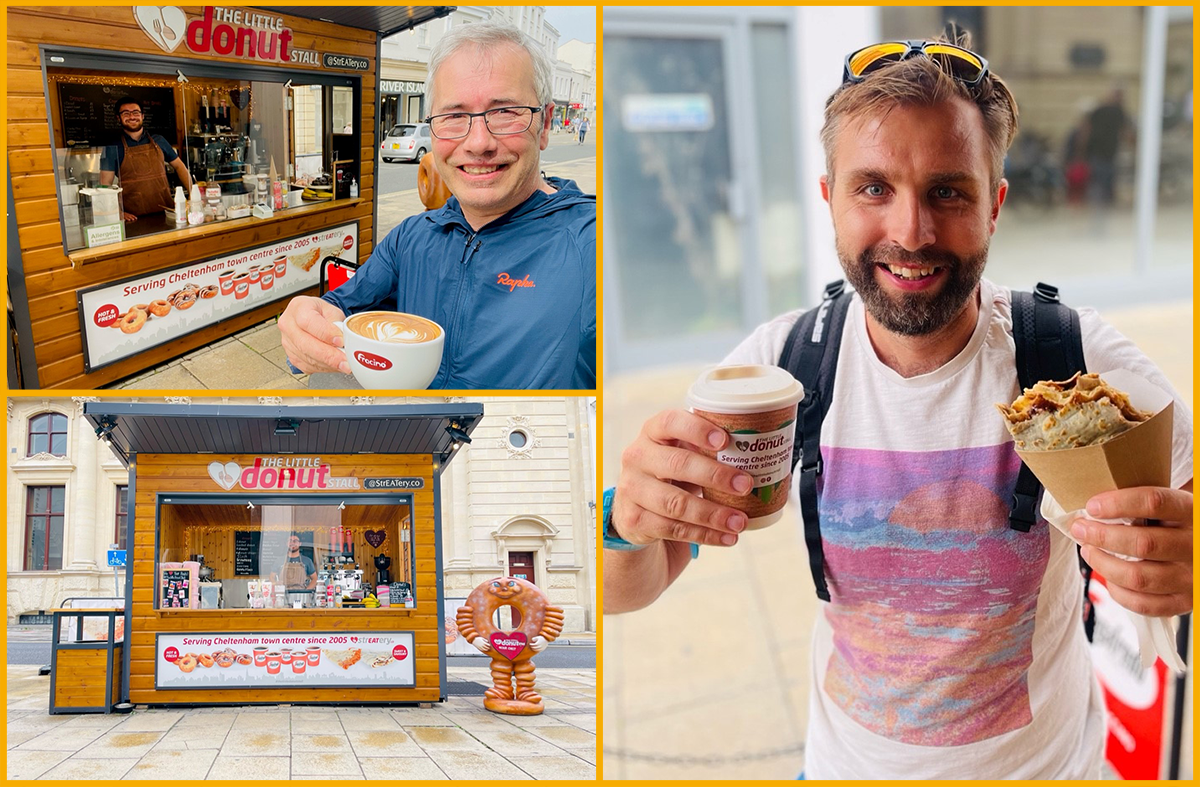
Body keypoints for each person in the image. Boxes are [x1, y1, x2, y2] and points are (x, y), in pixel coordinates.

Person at [603, 35, 1193, 780]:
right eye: (873, 188)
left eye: (948, 190)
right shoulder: (778, 372)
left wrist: (1183, 554)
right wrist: (625, 522)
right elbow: (632, 585)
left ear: (994, 206)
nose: (910, 232)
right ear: (830, 200)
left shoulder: (1071, 359)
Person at [279, 21, 596, 389]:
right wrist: (305, 324)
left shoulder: (596, 246)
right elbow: (341, 308)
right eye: (454, 116)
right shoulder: (412, 237)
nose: (478, 143)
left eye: (505, 112)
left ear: (544, 126)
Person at [99, 96, 192, 222]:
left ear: (142, 116)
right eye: (126, 113)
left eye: (135, 112)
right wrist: (117, 212)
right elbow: (105, 185)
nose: (132, 117)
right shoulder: (112, 147)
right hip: (133, 218)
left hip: (166, 212)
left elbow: (179, 167)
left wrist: (193, 194)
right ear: (118, 118)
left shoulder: (159, 140)